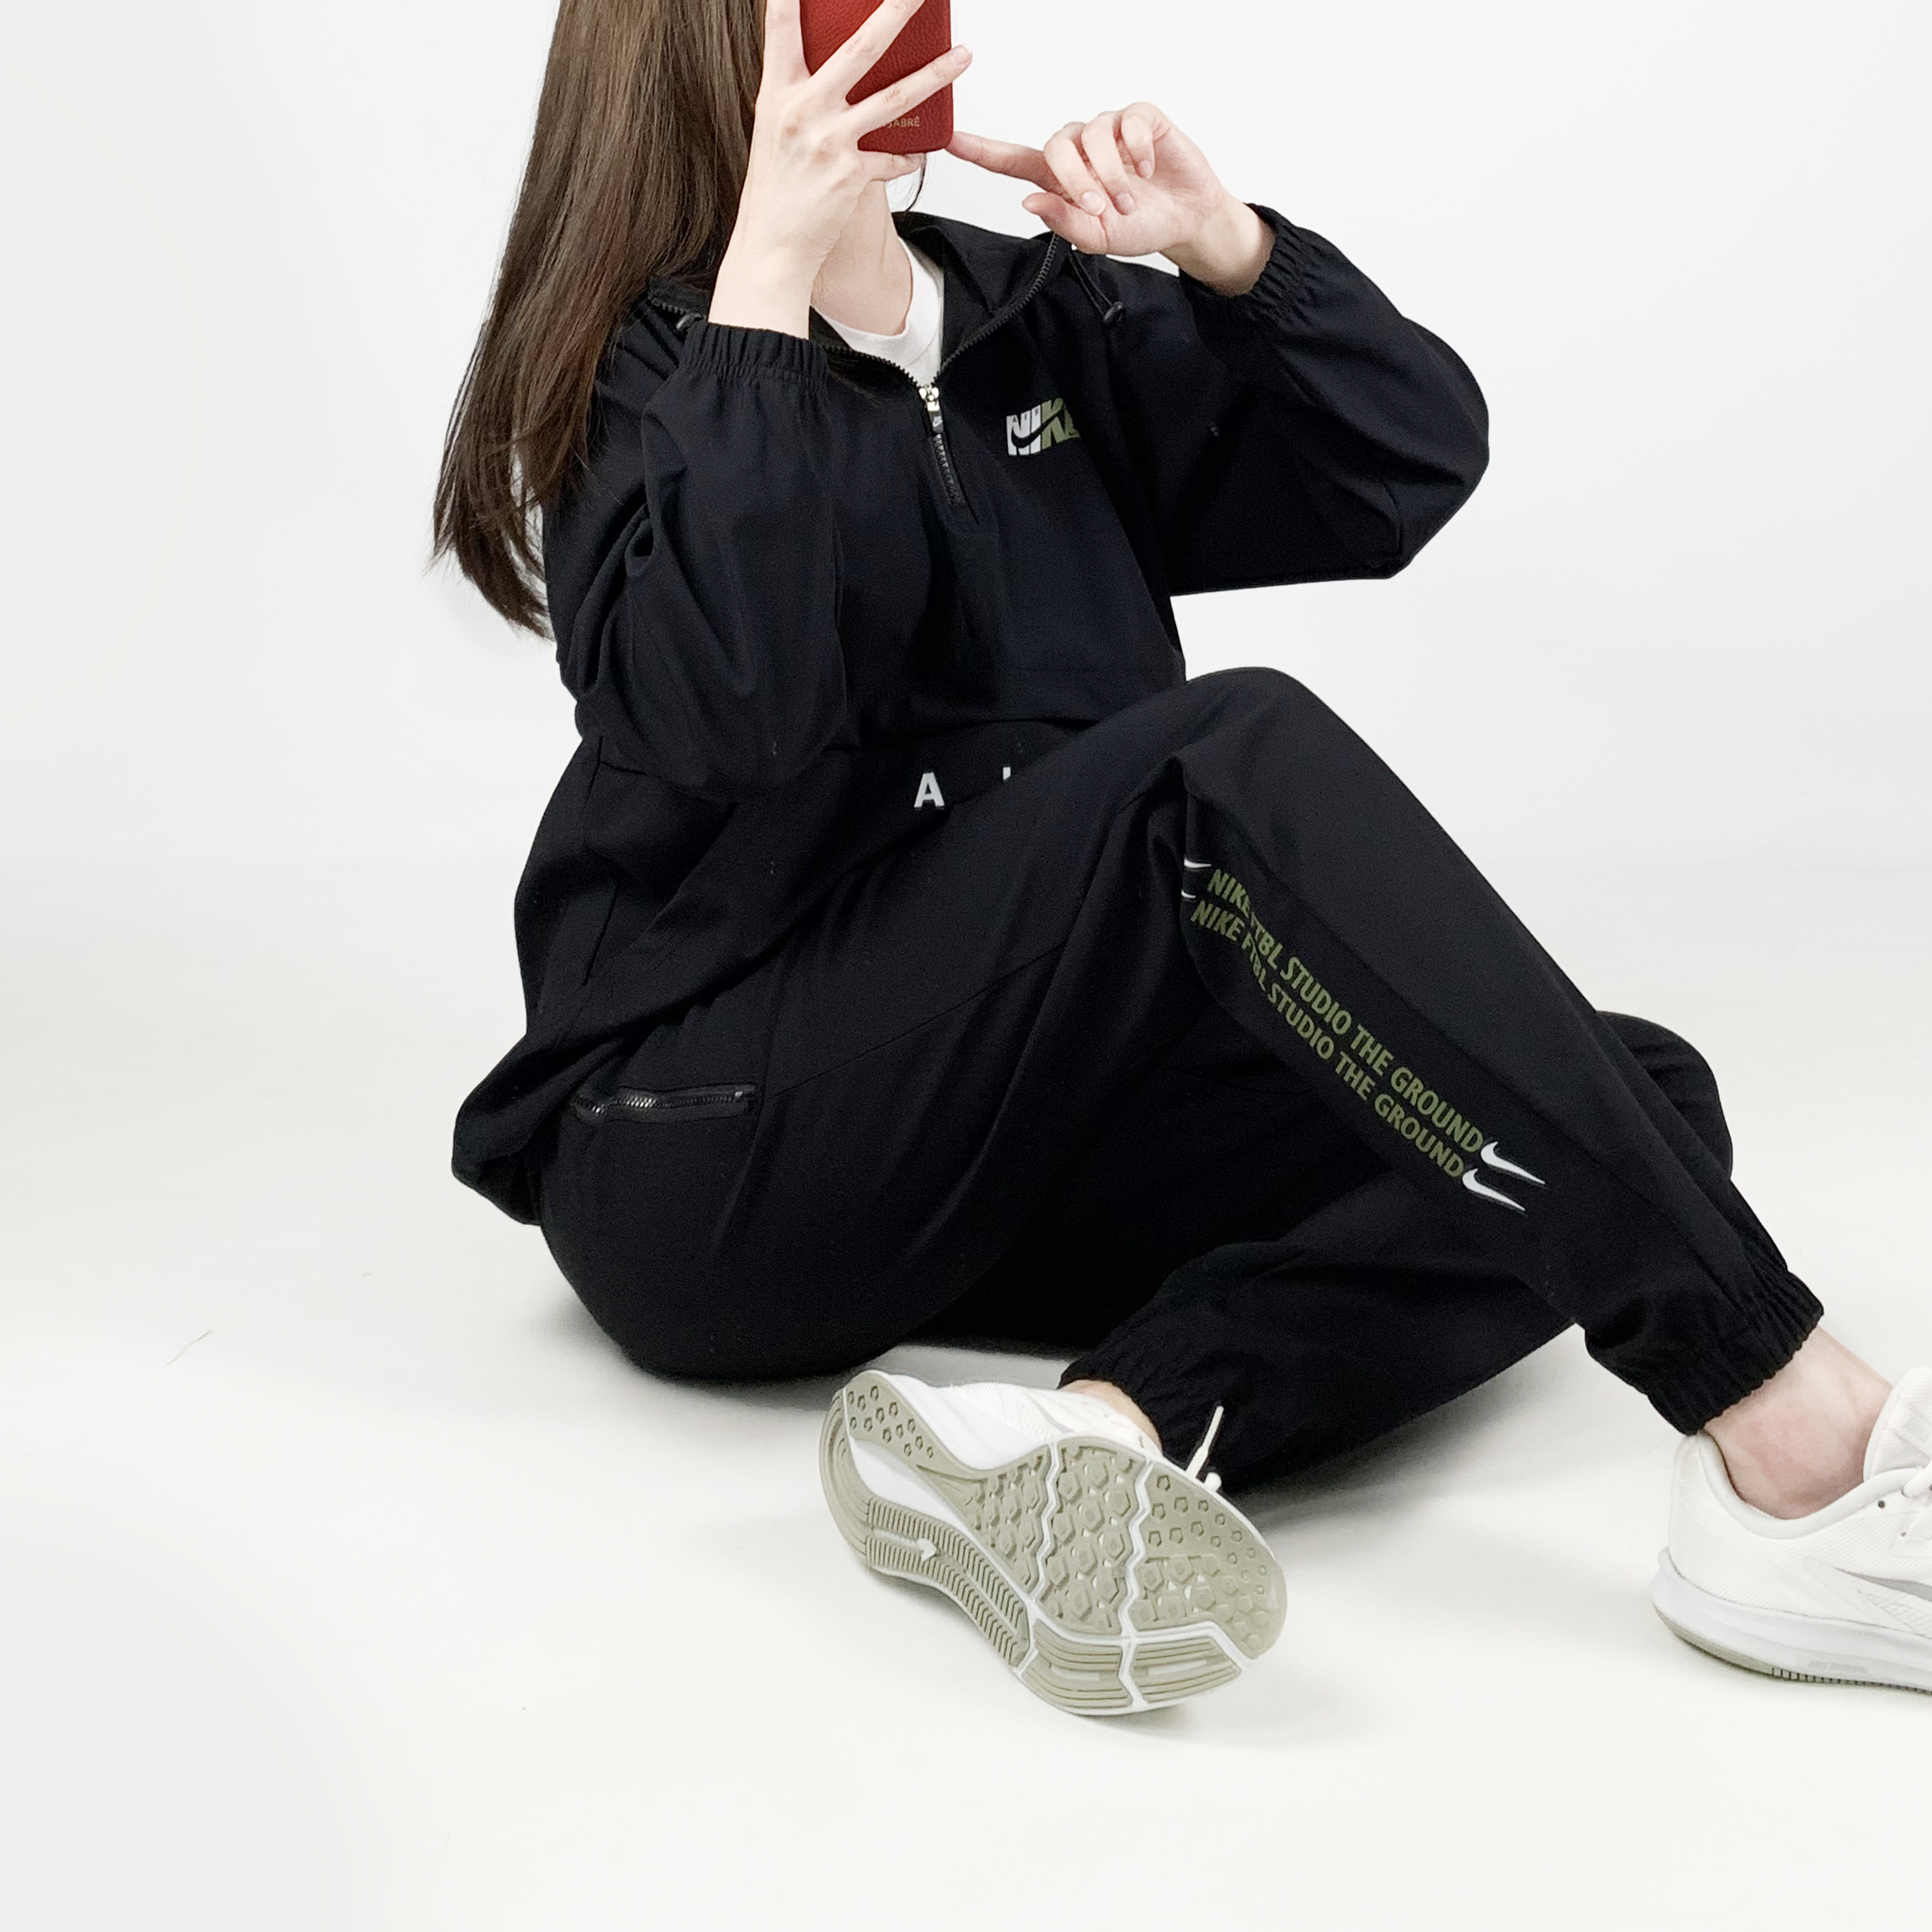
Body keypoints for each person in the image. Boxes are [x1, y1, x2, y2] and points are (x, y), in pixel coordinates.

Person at [434, 0, 1932, 1714]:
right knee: (1223, 766)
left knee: (1628, 1104)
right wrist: (767, 278)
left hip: (1023, 1125)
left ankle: (1105, 1435)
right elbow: (734, 715)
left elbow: (1398, 467)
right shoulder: (654, 373)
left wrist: (1229, 253)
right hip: (715, 1146)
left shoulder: (1028, 317)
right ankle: (1787, 1436)